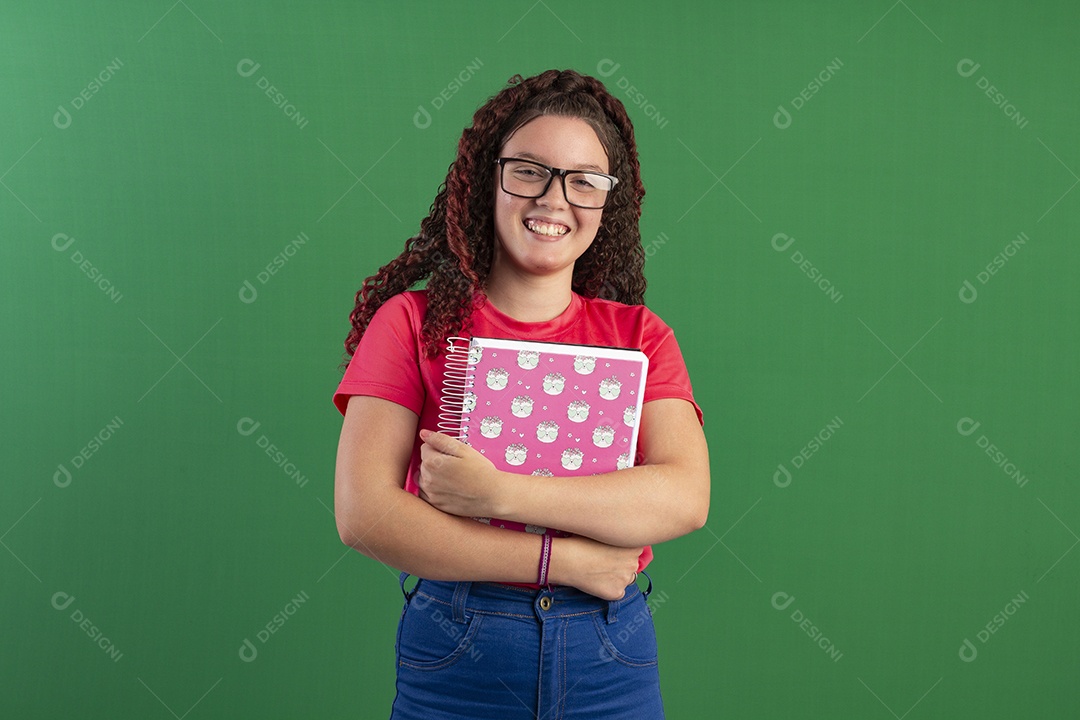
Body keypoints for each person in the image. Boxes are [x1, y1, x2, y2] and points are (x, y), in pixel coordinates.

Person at [333, 68, 710, 719]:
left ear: (606, 203)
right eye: (529, 171)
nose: (554, 199)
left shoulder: (640, 338)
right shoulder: (411, 322)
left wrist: (500, 494)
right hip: (460, 645)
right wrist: (559, 560)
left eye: (583, 181)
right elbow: (364, 515)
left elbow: (684, 497)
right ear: (487, 180)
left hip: (609, 651)